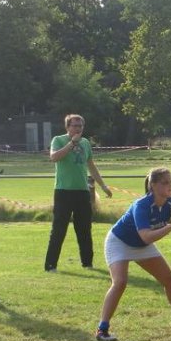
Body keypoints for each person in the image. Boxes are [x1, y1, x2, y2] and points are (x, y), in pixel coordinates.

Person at [95, 167, 171, 341]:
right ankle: (102, 330)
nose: (170, 186)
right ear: (153, 185)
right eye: (165, 183)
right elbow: (146, 235)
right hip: (119, 242)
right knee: (120, 282)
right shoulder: (141, 205)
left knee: (169, 279)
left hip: (142, 245)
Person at [44, 114, 112, 271]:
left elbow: (91, 166)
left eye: (80, 126)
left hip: (82, 192)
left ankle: (87, 263)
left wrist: (103, 186)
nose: (78, 128)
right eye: (74, 125)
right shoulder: (58, 140)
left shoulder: (86, 143)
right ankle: (50, 265)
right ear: (67, 127)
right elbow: (54, 157)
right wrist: (71, 143)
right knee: (59, 229)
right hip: (63, 191)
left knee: (84, 229)